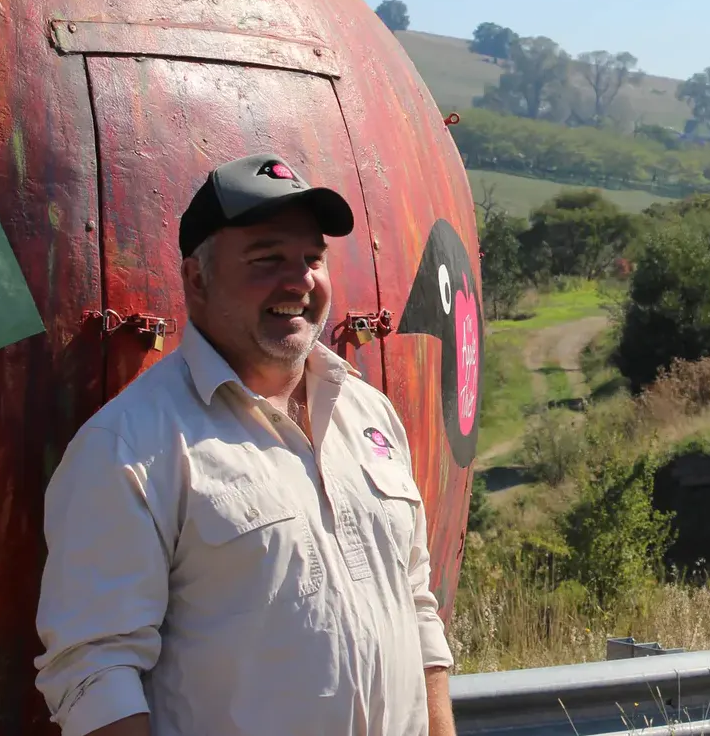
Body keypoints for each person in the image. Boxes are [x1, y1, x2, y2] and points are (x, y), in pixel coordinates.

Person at [34, 153, 456, 736]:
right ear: (197, 279)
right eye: (267, 259)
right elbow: (93, 671)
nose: (300, 280)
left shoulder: (370, 415)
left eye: (312, 259)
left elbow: (415, 605)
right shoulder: (129, 446)